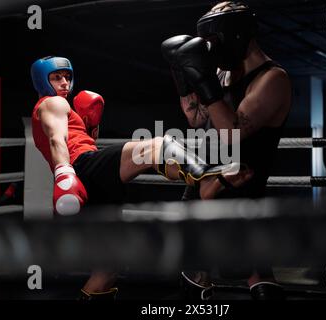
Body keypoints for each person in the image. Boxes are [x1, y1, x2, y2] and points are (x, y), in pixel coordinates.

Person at [30, 55, 253, 300]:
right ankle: (203, 177)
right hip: (82, 168)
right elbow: (56, 139)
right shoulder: (53, 104)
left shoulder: (64, 108)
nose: (64, 82)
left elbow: (72, 139)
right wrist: (65, 175)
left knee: (109, 265)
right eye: (56, 77)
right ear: (42, 80)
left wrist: (89, 129)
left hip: (87, 180)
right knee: (155, 147)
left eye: (67, 76)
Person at [161, 1, 292, 300]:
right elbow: (197, 120)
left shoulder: (272, 79)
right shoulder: (222, 72)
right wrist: (184, 78)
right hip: (203, 177)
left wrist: (204, 81)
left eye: (212, 41)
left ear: (234, 35)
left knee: (252, 273)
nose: (210, 49)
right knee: (194, 272)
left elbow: (232, 134)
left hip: (238, 184)